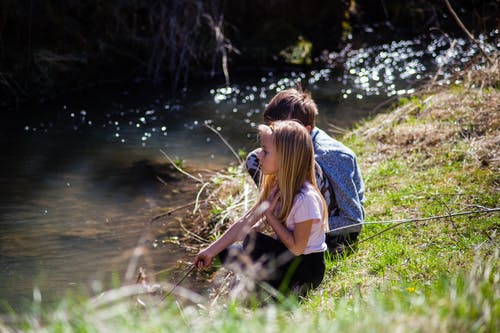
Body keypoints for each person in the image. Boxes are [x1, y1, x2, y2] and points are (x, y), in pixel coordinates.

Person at [195, 120, 328, 294]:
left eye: (265, 151)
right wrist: (210, 251)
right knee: (226, 253)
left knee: (253, 240)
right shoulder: (276, 185)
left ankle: (288, 287)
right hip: (287, 257)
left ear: (285, 158)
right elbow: (245, 222)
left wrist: (269, 215)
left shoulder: (305, 199)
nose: (258, 155)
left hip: (306, 268)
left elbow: (297, 248)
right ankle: (266, 285)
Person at [246, 87, 365, 253]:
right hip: (297, 222)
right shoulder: (289, 147)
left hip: (334, 234)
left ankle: (290, 228)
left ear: (306, 129)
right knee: (255, 158)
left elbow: (353, 220)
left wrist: (306, 227)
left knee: (308, 165)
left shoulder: (330, 156)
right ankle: (282, 217)